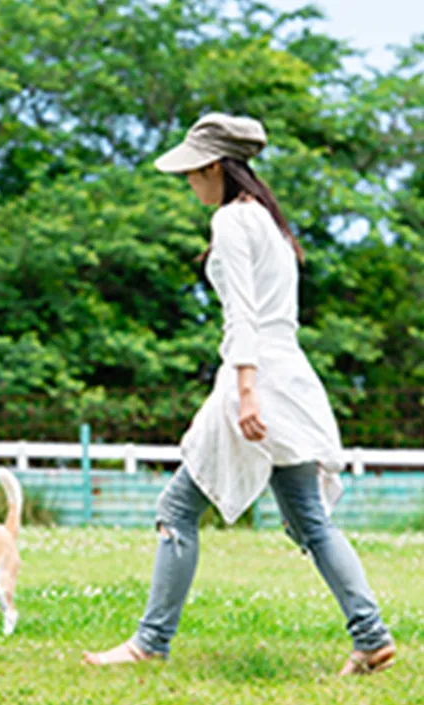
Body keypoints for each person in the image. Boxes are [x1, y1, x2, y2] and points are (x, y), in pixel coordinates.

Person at [83, 114, 395, 676]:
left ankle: (149, 643)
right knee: (310, 521)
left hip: (255, 380)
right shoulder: (270, 223)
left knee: (177, 508)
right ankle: (371, 636)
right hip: (290, 377)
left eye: (191, 173)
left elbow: (243, 315)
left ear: (211, 167)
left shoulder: (231, 221)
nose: (188, 184)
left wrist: (247, 392)